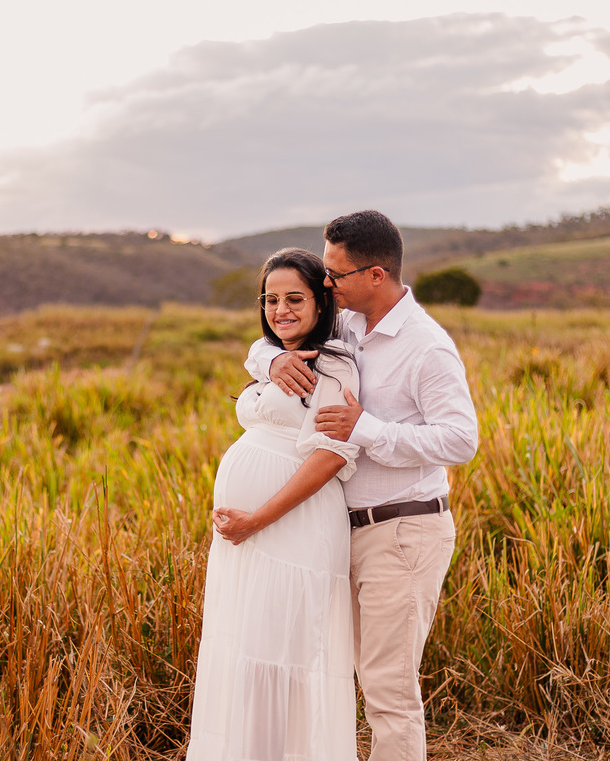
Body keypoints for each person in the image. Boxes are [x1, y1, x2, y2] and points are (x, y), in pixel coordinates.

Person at [232, 210, 478, 761]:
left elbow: (462, 440)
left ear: (375, 274)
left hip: (403, 528)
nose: (325, 285)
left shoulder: (426, 346)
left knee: (388, 689)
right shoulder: (347, 326)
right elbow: (273, 337)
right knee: (338, 671)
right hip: (342, 532)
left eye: (333, 276)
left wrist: (365, 430)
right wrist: (270, 361)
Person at [187, 248, 362, 761]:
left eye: (294, 298)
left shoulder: (332, 366)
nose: (280, 309)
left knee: (282, 652)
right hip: (250, 540)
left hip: (293, 530)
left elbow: (330, 456)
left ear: (320, 301)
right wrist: (268, 355)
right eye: (271, 299)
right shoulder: (274, 357)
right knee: (244, 647)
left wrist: (257, 519)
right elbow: (256, 349)